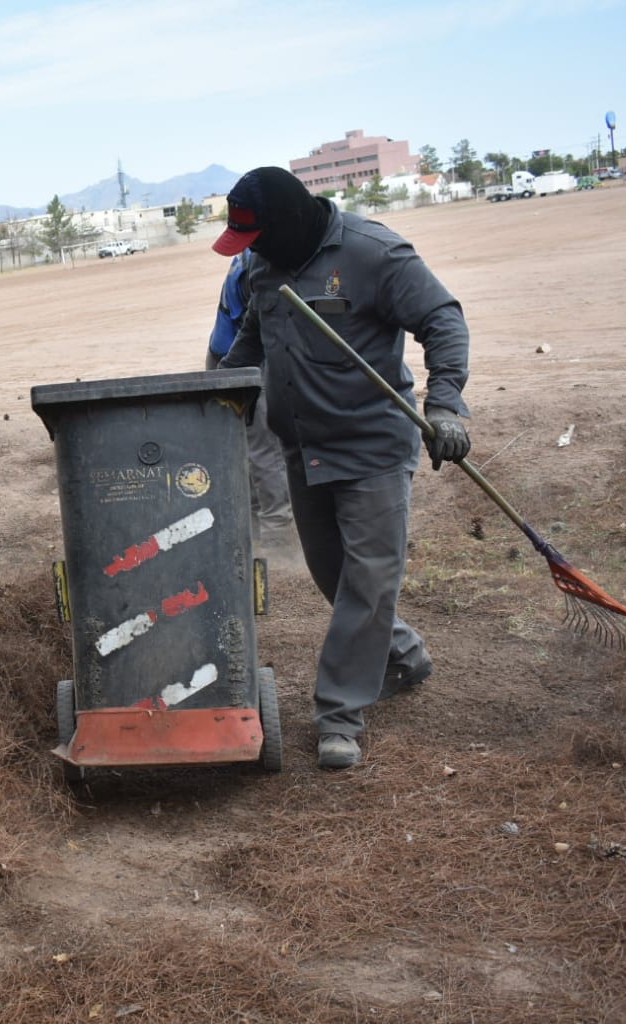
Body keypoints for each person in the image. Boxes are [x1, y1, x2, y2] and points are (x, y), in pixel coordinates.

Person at [210, 167, 472, 770]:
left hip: (373, 449)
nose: (251, 251)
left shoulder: (374, 253)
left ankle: (339, 715)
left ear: (287, 223)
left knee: (369, 582)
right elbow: (252, 338)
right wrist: (215, 395)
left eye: (256, 238)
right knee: (336, 578)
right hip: (304, 451)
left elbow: (443, 319)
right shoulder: (264, 264)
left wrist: (446, 405)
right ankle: (404, 652)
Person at [206, 248, 295, 547]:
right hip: (245, 361)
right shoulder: (263, 266)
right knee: (265, 450)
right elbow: (270, 329)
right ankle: (278, 533)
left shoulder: (249, 255)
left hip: (223, 355)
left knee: (243, 448)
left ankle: (253, 526)